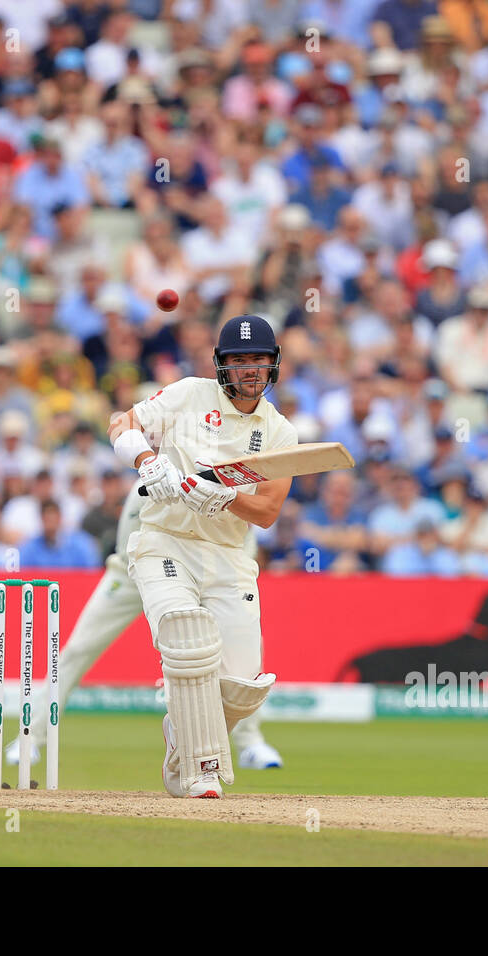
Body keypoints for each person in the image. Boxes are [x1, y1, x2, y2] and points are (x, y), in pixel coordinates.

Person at [107, 314, 297, 798]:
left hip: (227, 556)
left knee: (243, 688)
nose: (249, 369)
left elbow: (269, 511)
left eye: (258, 360)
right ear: (222, 365)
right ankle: (202, 773)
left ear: (273, 366)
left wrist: (219, 495)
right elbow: (121, 421)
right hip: (164, 543)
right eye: (239, 360)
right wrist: (148, 461)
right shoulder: (189, 394)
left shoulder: (280, 432)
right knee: (186, 636)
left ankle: (181, 739)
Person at [4, 477, 285, 771]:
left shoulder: (231, 485)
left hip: (208, 574)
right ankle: (29, 738)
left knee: (246, 645)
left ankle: (249, 743)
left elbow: (245, 543)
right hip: (133, 572)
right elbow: (128, 537)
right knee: (78, 648)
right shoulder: (158, 475)